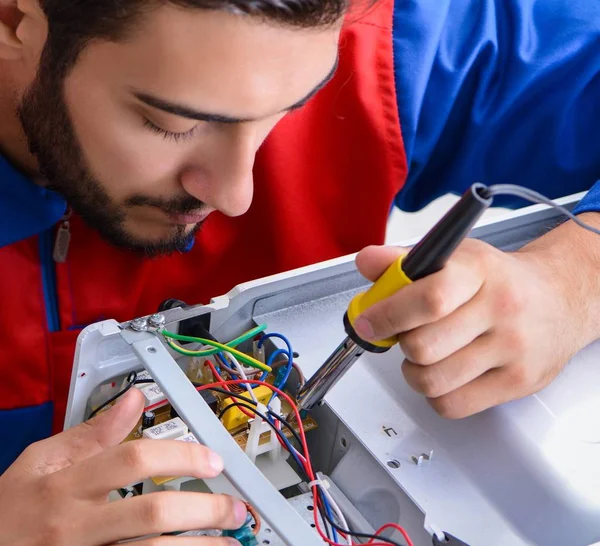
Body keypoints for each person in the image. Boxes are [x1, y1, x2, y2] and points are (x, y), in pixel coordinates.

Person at [0, 0, 598, 542]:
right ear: (12, 22)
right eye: (173, 123)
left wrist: (572, 280)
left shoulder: (383, 42)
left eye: (290, 110)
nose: (237, 195)